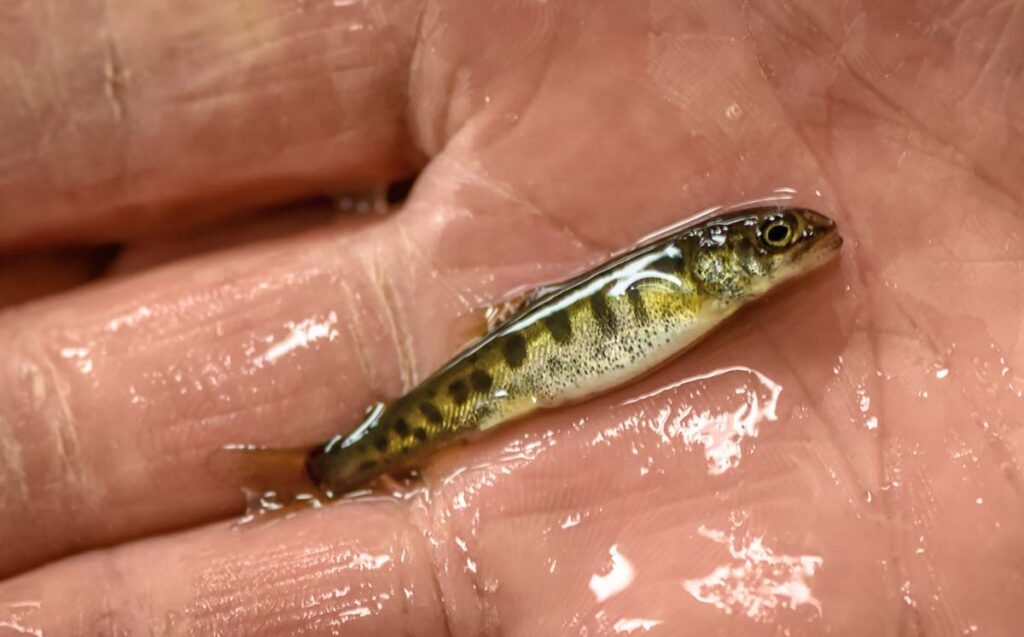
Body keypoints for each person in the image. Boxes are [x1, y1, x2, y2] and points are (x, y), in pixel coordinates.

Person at [0, 1, 1020, 634]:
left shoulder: (707, 282)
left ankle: (326, 467)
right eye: (760, 242)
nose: (784, 245)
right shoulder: (691, 281)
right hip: (479, 389)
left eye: (768, 241)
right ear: (714, 258)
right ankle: (327, 467)